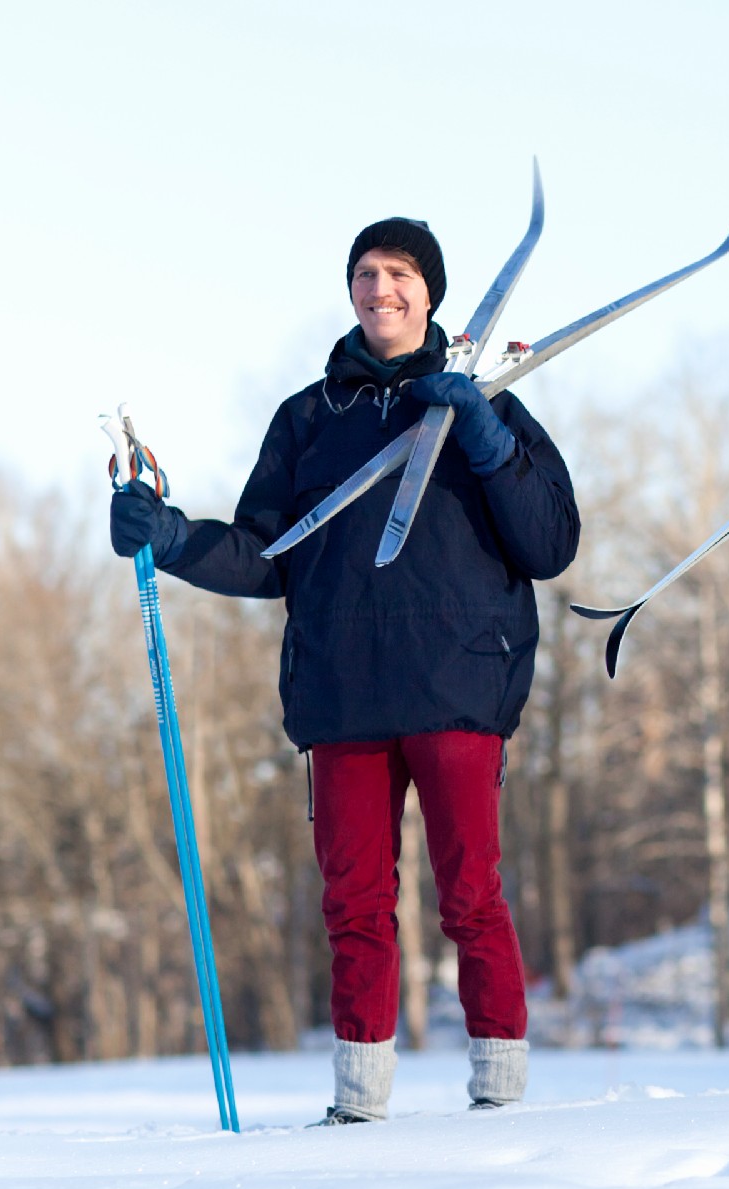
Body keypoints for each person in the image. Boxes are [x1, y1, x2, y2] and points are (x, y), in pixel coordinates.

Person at [108, 217, 581, 1122]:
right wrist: (170, 538)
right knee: (353, 904)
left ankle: (503, 1096)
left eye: (399, 273)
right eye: (365, 273)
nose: (380, 288)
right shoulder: (308, 419)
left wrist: (482, 434)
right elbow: (265, 553)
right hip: (341, 692)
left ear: (431, 292)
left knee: (471, 894)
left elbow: (550, 541)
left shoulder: (492, 404)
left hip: (458, 685)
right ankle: (359, 1102)